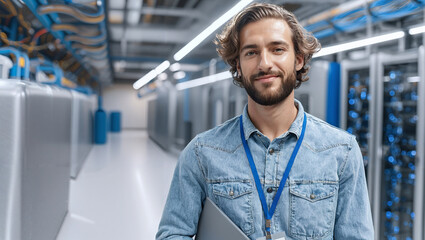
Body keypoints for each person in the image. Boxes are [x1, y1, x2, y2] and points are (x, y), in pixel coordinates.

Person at [156, 3, 374, 240]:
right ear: (238, 66)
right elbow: (172, 234)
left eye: (277, 49)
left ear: (298, 60)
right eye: (251, 52)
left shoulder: (341, 152)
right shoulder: (201, 154)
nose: (264, 64)